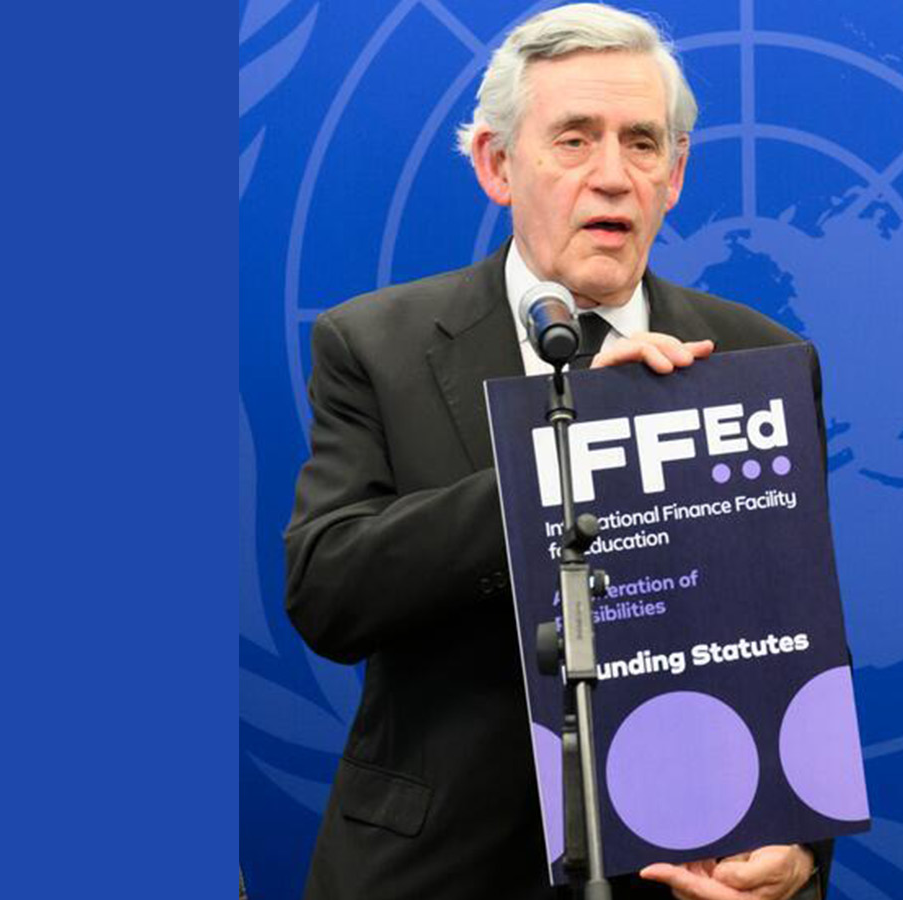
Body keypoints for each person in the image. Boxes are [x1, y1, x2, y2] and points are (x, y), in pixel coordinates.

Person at [284, 5, 827, 899]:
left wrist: (799, 848)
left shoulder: (759, 362)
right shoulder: (375, 345)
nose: (612, 177)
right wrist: (569, 458)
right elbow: (328, 593)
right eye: (574, 141)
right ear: (499, 165)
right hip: (438, 872)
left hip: (680, 877)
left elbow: (788, 639)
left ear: (676, 173)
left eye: (642, 143)